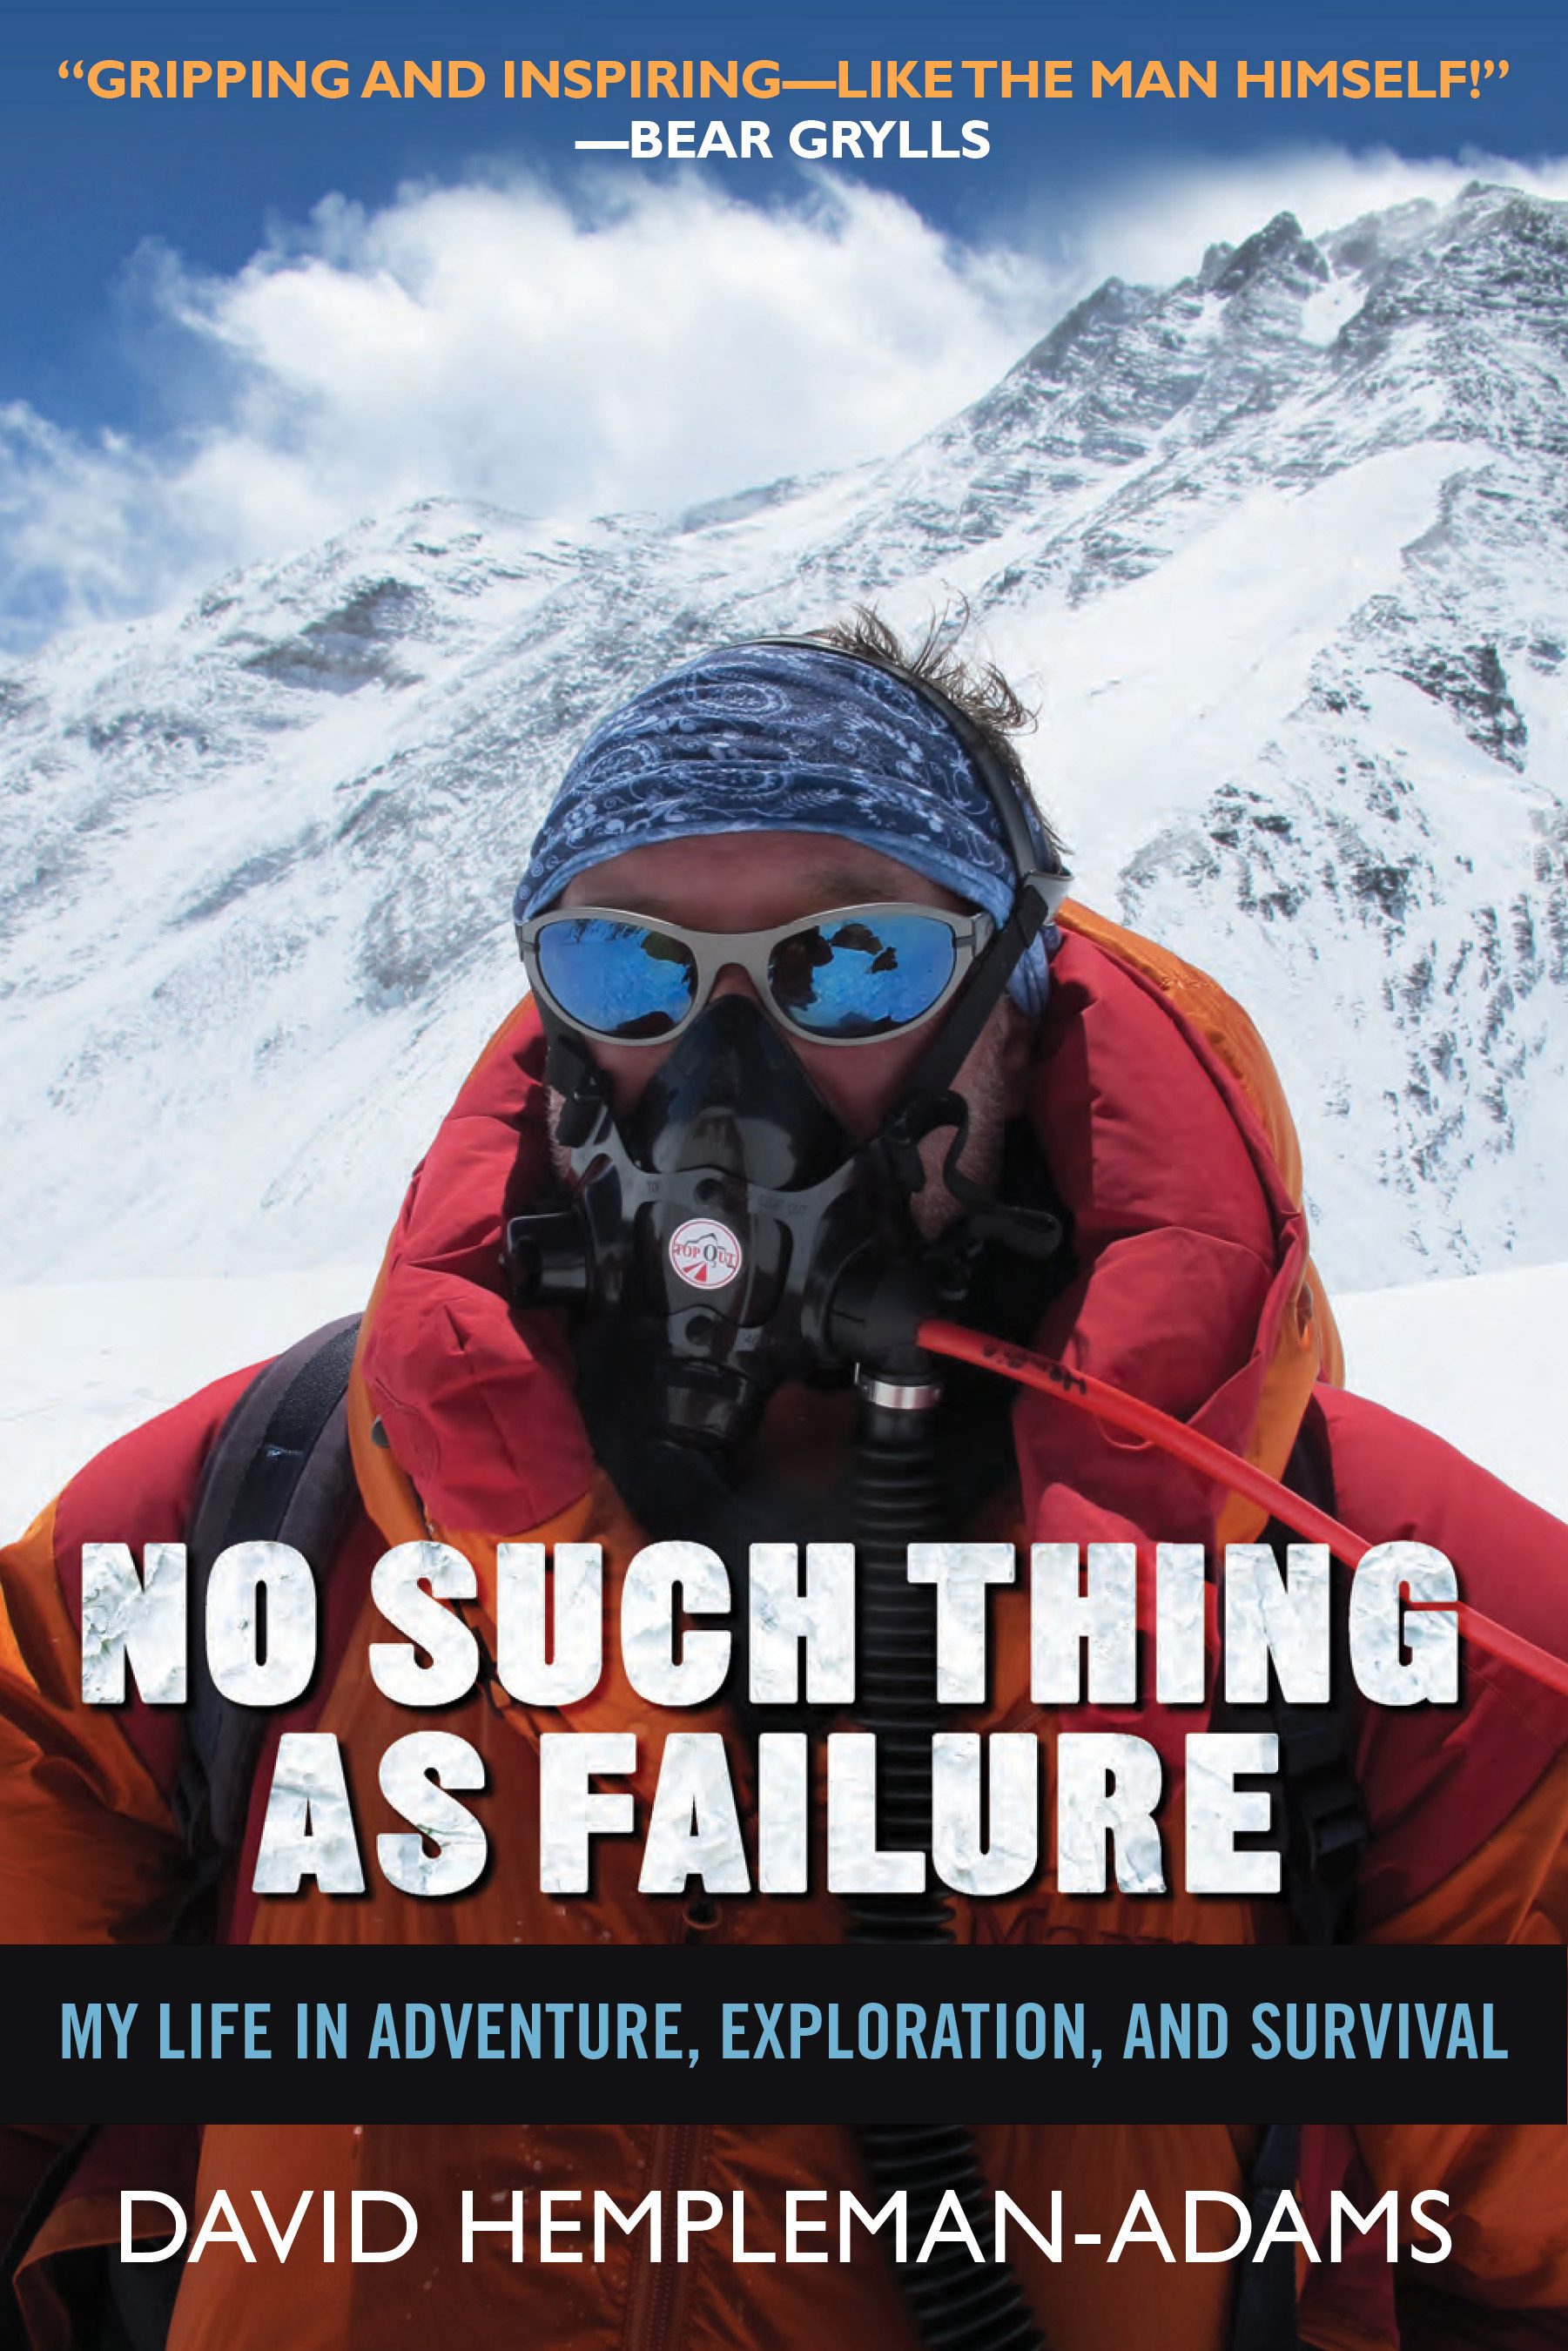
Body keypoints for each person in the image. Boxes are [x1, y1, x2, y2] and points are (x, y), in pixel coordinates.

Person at [3, 616, 1568, 2351]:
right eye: (625, 966)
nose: (718, 1069)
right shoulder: (259, 1512)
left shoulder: (1380, 1599)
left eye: (853, 963)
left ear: (1017, 997)